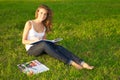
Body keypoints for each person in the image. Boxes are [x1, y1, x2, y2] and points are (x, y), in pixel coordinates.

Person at [22, 4, 94, 70]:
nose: (43, 16)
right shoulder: (29, 23)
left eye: (45, 14)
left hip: (41, 47)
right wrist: (34, 41)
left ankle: (82, 63)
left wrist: (52, 42)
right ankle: (71, 63)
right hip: (31, 49)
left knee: (58, 47)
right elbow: (23, 41)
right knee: (44, 44)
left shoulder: (44, 27)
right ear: (37, 12)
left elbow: (44, 40)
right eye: (41, 13)